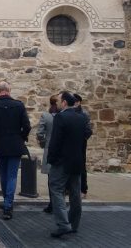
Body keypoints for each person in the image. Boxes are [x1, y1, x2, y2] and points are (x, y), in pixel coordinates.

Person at [48, 91, 93, 238]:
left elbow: (55, 140)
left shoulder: (61, 117)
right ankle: (74, 224)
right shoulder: (82, 117)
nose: (57, 103)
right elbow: (86, 136)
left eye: (59, 100)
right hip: (77, 160)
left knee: (56, 189)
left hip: (62, 161)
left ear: (65, 102)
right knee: (75, 193)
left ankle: (63, 224)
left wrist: (51, 158)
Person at [0, 81, 31, 220]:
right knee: (12, 175)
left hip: (0, 144)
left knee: (3, 174)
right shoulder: (19, 105)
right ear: (9, 90)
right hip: (15, 144)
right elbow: (27, 125)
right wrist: (22, 137)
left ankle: (7, 201)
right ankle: (8, 204)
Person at [37, 95, 59, 213]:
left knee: (51, 179)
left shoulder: (46, 116)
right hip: (62, 151)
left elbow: (40, 133)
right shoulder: (63, 116)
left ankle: (52, 204)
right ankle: (59, 204)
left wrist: (44, 144)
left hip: (50, 149)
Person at [73, 93, 91, 199]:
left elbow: (88, 130)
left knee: (81, 166)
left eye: (75, 101)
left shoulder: (84, 114)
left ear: (79, 102)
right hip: (70, 143)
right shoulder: (68, 111)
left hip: (80, 144)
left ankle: (83, 189)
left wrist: (82, 139)